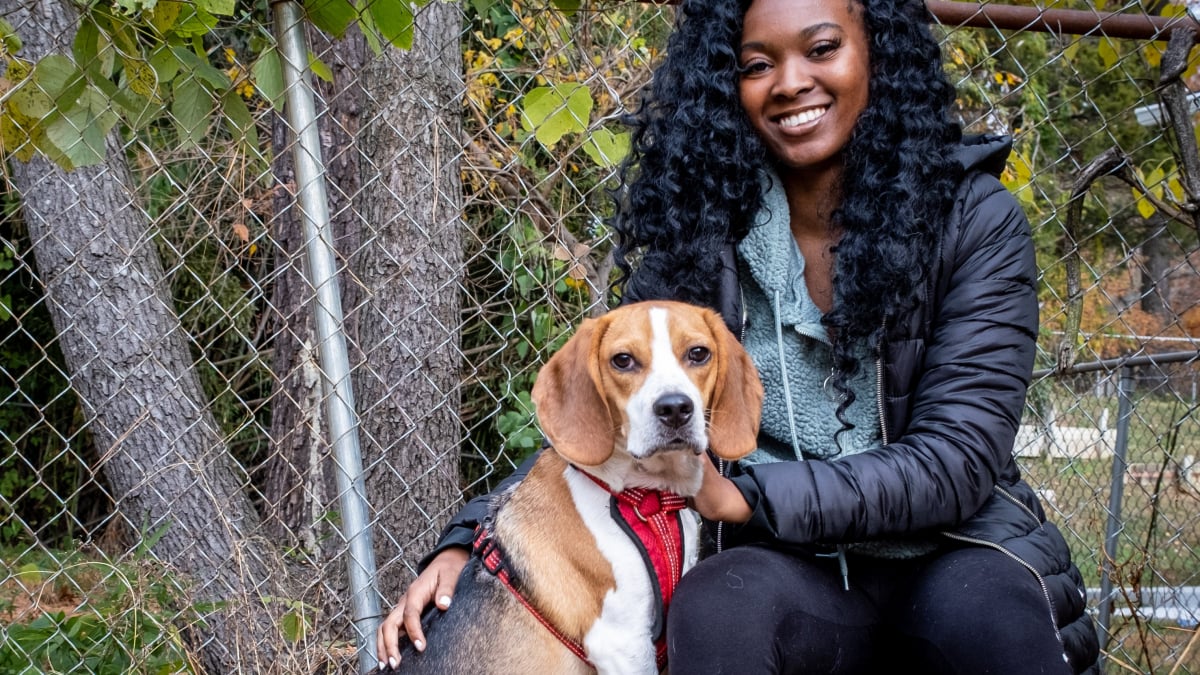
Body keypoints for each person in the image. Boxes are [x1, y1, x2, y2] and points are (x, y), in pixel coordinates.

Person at [378, 0, 1101, 672]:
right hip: (784, 562)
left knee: (994, 619)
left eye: (821, 48)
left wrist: (751, 497)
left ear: (876, 53)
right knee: (718, 605)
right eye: (756, 64)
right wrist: (469, 543)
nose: (790, 82)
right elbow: (604, 407)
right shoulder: (699, 225)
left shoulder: (976, 219)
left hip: (952, 547)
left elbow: (958, 459)